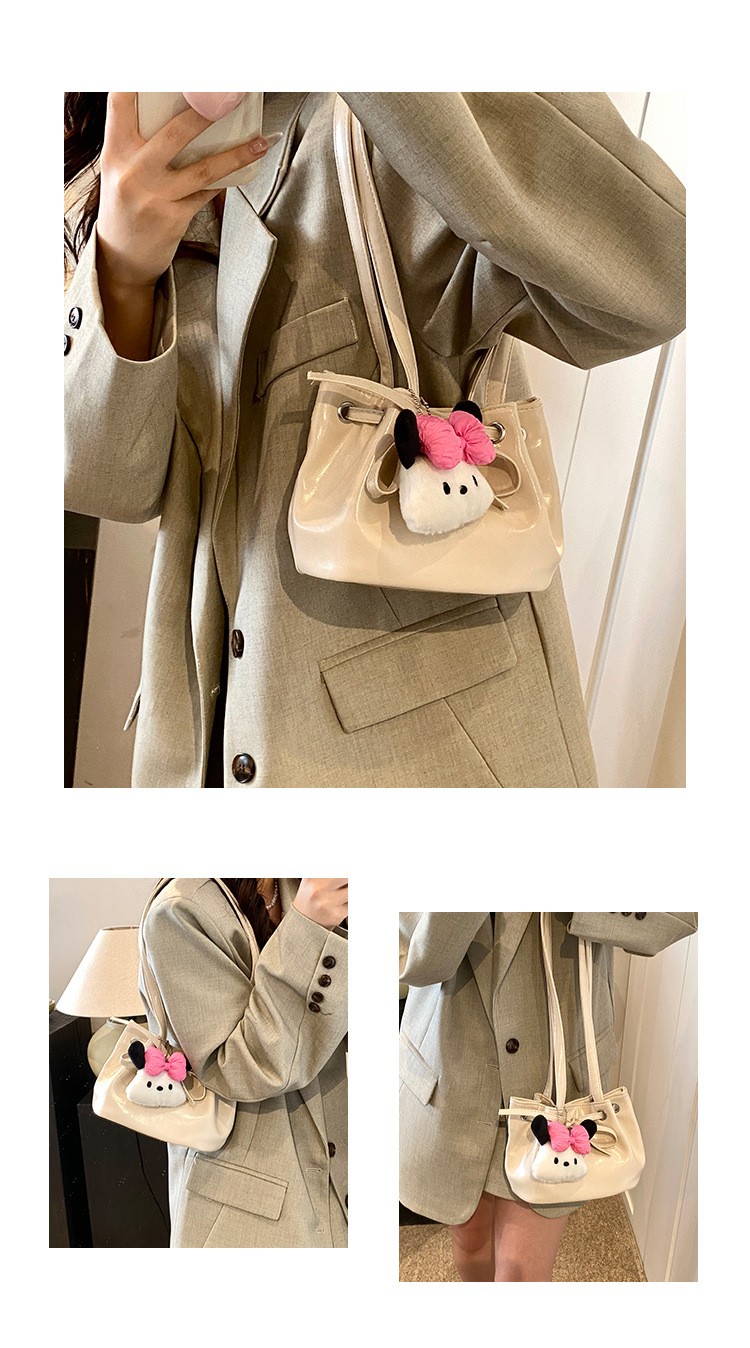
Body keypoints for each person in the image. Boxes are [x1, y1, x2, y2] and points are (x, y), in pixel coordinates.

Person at [64, 93, 686, 788]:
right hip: (207, 736)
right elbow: (109, 482)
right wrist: (123, 270)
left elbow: (667, 272)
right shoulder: (136, 178)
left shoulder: (386, 121)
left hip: (424, 763)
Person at [398, 911, 697, 1281]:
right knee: (470, 1242)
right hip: (452, 1061)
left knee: (521, 1272)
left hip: (556, 1076)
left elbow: (679, 915)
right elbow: (418, 958)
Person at [139, 877, 348, 1247]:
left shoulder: (297, 883)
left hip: (335, 1166)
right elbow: (240, 1068)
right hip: (249, 1206)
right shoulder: (179, 910)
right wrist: (309, 929)